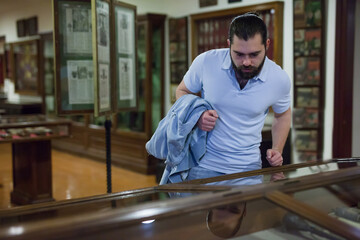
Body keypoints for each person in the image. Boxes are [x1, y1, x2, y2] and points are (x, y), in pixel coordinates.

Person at [176, 12, 291, 181]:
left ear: (267, 45)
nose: (246, 62)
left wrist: (277, 149)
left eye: (254, 54)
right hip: (202, 165)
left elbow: (283, 114)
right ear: (229, 44)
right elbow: (182, 91)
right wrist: (196, 116)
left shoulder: (279, 78)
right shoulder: (206, 62)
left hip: (248, 169)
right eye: (239, 54)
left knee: (243, 209)